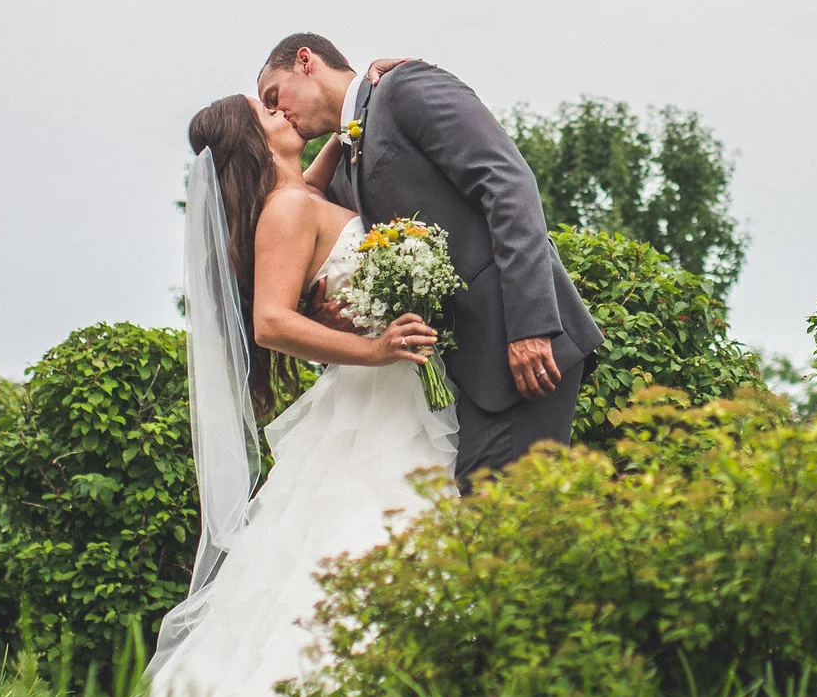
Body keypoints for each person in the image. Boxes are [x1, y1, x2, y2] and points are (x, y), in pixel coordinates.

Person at [137, 89, 452, 697]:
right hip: (371, 403)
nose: (284, 115)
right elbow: (272, 322)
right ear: (255, 142)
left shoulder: (293, 199)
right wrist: (375, 347)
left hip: (382, 401)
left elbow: (305, 199)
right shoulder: (284, 211)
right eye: (268, 115)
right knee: (367, 536)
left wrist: (343, 135)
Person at [257, 32, 602, 488]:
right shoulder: (343, 168)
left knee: (499, 529)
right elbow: (304, 211)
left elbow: (508, 183)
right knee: (486, 533)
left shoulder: (405, 89)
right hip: (457, 378)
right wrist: (326, 315)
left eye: (274, 97)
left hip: (518, 352)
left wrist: (531, 327)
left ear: (305, 61)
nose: (278, 113)